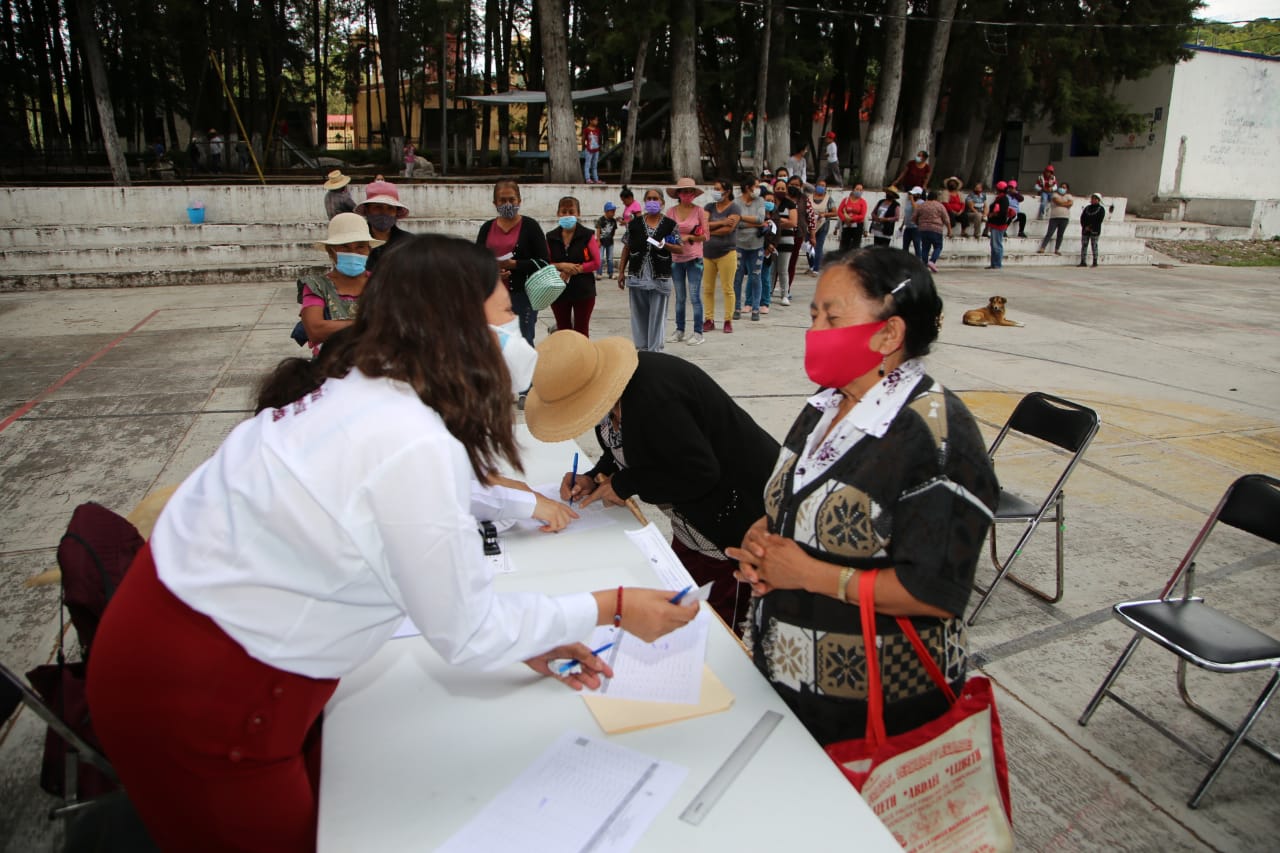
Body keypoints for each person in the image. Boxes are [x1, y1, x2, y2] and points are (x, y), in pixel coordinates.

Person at [85, 235, 696, 852]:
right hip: (205, 690)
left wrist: (530, 640)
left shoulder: (366, 391)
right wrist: (615, 605)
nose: (518, 333)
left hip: (187, 643)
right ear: (456, 330)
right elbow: (468, 628)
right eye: (507, 314)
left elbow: (413, 564)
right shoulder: (407, 437)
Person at [727, 248, 998, 746]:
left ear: (889, 333)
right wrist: (766, 537)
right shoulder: (827, 402)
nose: (815, 330)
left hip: (873, 710)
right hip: (790, 681)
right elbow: (801, 500)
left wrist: (809, 574)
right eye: (813, 315)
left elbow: (934, 593)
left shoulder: (936, 436)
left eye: (832, 317)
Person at [528, 330, 780, 631]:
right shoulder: (614, 396)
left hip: (734, 523)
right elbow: (626, 446)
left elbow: (699, 473)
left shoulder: (655, 398)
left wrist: (625, 485)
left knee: (719, 625)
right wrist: (595, 476)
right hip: (693, 527)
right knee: (682, 601)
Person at [476, 179, 549, 345]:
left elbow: (543, 261)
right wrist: (494, 270)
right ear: (495, 203)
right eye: (502, 200)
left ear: (519, 201)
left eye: (511, 200)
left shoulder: (530, 226)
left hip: (523, 295)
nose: (507, 204)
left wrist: (515, 265)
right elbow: (477, 260)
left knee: (523, 339)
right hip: (492, 294)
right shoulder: (487, 228)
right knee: (493, 342)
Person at [297, 213, 381, 353]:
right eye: (345, 247)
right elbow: (315, 329)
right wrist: (372, 325)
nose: (353, 252)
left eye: (360, 247)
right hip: (332, 365)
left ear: (369, 250)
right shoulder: (317, 286)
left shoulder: (382, 282)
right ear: (331, 251)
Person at [617, 188, 679, 352]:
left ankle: (655, 351)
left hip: (660, 276)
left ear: (662, 202)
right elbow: (627, 248)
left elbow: (680, 248)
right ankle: (642, 350)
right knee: (638, 315)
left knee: (658, 316)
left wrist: (665, 245)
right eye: (649, 198)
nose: (652, 201)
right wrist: (621, 272)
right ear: (644, 202)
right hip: (637, 274)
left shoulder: (670, 225)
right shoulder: (634, 224)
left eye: (655, 198)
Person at [546, 196, 601, 338]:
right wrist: (561, 266)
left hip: (583, 290)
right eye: (563, 212)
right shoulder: (551, 237)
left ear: (578, 214)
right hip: (558, 291)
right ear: (558, 213)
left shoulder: (587, 235)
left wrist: (576, 269)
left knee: (581, 331)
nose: (567, 215)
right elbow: (546, 263)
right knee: (563, 331)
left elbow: (596, 262)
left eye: (571, 211)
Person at [665, 177, 708, 345]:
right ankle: (680, 330)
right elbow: (666, 233)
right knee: (680, 297)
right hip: (676, 258)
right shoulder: (671, 212)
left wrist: (690, 236)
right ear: (678, 194)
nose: (687, 194)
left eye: (690, 191)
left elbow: (705, 235)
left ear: (694, 194)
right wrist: (675, 239)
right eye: (684, 191)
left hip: (694, 257)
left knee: (695, 296)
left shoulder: (699, 211)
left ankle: (698, 332)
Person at [701, 178, 742, 332]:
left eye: (718, 189)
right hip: (707, 253)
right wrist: (722, 222)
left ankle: (727, 320)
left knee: (727, 288)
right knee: (708, 289)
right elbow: (702, 225)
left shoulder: (735, 208)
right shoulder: (709, 207)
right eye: (715, 188)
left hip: (727, 252)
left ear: (727, 191)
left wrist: (710, 229)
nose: (715, 192)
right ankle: (709, 319)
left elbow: (729, 230)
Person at [356, 177, 412, 273]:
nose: (384, 213)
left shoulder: (409, 242)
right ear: (367, 210)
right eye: (378, 207)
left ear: (396, 212)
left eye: (390, 208)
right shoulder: (355, 242)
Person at [734, 177, 767, 322]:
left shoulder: (760, 201)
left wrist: (742, 219)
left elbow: (761, 219)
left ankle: (755, 308)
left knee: (756, 277)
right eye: (756, 186)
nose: (758, 188)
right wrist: (754, 223)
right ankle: (736, 307)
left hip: (757, 244)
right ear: (748, 187)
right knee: (737, 277)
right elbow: (736, 223)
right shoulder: (736, 202)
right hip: (739, 244)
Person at [772, 179, 799, 305]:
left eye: (783, 188)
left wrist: (777, 222)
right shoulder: (770, 202)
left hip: (786, 240)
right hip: (771, 240)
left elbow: (793, 222)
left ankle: (784, 294)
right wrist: (782, 221)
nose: (781, 191)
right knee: (771, 269)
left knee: (783, 269)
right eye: (778, 188)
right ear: (774, 189)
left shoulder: (790, 204)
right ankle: (768, 292)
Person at [913, 190, 951, 273]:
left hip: (923, 229)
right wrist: (949, 230)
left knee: (925, 248)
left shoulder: (921, 205)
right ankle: (932, 261)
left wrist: (919, 224)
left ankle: (924, 264)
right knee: (938, 246)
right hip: (936, 229)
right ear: (936, 197)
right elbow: (946, 219)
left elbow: (914, 217)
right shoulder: (939, 206)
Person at [1038, 181, 1074, 255]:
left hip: (1065, 217)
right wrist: (1065, 204)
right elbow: (1057, 201)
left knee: (1060, 234)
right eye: (1061, 187)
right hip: (1054, 217)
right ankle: (1043, 247)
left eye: (1064, 187)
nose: (1062, 189)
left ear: (1067, 189)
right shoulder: (1054, 194)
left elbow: (1070, 203)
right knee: (1049, 233)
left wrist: (1062, 203)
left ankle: (1057, 249)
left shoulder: (1069, 196)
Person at [811, 180, 837, 272]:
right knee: (808, 245)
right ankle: (811, 264)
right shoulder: (809, 198)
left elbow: (835, 212)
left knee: (818, 246)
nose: (821, 187)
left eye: (823, 186)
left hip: (823, 225)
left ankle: (816, 268)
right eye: (820, 185)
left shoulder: (828, 199)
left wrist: (825, 214)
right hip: (810, 225)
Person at [986, 181, 1012, 269]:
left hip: (998, 224)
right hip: (994, 224)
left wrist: (993, 214)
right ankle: (994, 263)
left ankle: (997, 263)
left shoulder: (1003, 199)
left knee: (996, 244)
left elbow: (1003, 212)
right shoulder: (999, 198)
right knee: (994, 244)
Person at [837, 184, 868, 252]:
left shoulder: (863, 202)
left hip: (858, 225)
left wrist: (852, 219)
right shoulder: (846, 200)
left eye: (861, 190)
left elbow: (862, 215)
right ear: (853, 189)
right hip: (846, 224)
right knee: (844, 245)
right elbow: (839, 211)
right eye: (857, 189)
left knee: (855, 246)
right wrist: (845, 219)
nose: (859, 191)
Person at [1079, 192, 1106, 267]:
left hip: (1095, 230)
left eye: (1094, 199)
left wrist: (1090, 227)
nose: (1093, 200)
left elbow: (1099, 220)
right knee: (1084, 245)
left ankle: (1095, 261)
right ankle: (1083, 261)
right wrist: (1085, 227)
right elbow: (1082, 218)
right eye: (1092, 198)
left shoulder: (1101, 209)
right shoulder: (1087, 208)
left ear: (1098, 200)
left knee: (1094, 245)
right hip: (1085, 230)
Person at [595, 201, 619, 279]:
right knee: (600, 258)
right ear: (607, 211)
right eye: (612, 211)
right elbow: (598, 230)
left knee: (610, 258)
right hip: (602, 242)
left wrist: (611, 237)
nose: (614, 213)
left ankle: (610, 273)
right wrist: (598, 241)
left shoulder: (613, 221)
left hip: (610, 242)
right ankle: (599, 273)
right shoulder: (601, 220)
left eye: (614, 211)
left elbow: (614, 230)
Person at [901, 187, 923, 259]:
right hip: (908, 227)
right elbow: (906, 214)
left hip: (915, 228)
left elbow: (915, 210)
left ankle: (919, 261)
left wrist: (912, 200)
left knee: (917, 246)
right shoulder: (908, 202)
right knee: (905, 247)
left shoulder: (921, 202)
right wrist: (902, 225)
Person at [582, 116, 602, 184]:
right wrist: (584, 145)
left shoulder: (597, 130)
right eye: (595, 120)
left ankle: (596, 179)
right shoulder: (586, 130)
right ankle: (588, 179)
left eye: (597, 120)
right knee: (588, 164)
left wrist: (599, 147)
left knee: (594, 165)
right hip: (589, 149)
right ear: (590, 121)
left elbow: (598, 139)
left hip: (596, 149)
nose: (596, 122)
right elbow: (583, 138)